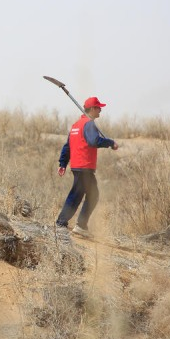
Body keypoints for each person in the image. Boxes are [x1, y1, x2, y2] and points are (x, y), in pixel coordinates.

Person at [55, 97, 118, 237]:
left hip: (78, 166)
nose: (100, 110)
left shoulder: (76, 125)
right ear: (93, 109)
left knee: (89, 194)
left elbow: (67, 147)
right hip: (84, 167)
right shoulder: (89, 124)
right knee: (81, 195)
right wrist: (110, 143)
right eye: (98, 108)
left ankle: (77, 225)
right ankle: (63, 224)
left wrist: (62, 163)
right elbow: (93, 141)